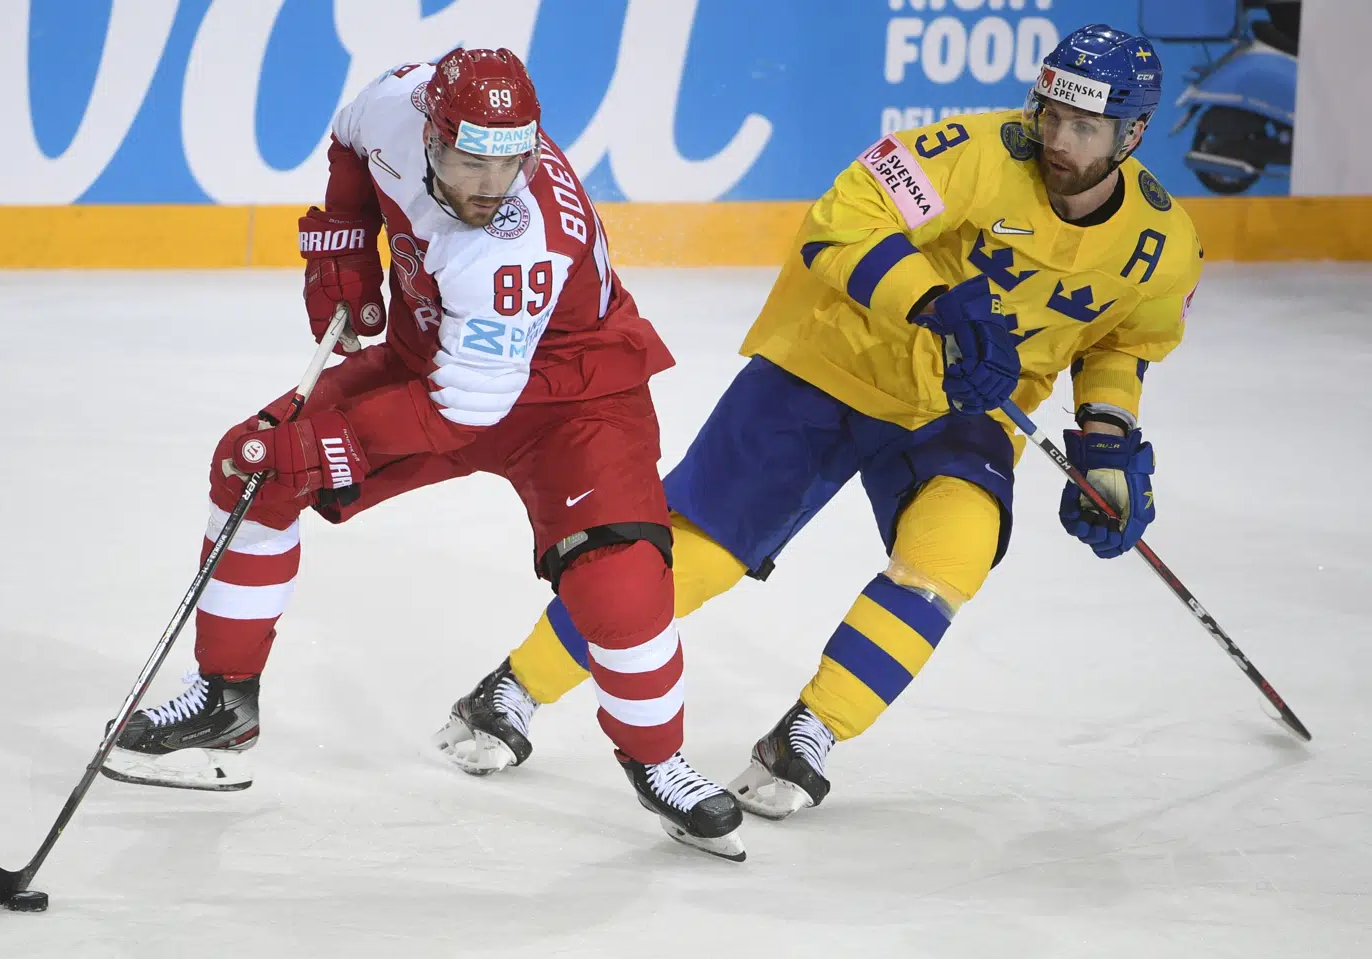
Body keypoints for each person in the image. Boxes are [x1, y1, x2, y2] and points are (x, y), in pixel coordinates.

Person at [436, 25, 1203, 820]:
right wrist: (933, 305)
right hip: (834, 361)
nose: (1056, 139)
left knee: (955, 550)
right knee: (694, 553)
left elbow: (1123, 342)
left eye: (1084, 128)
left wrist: (1107, 446)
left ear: (1133, 133)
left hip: (960, 411)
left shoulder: (1163, 245)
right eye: (1051, 114)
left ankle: (810, 731)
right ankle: (513, 687)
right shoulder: (970, 151)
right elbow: (841, 219)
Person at [100, 48, 745, 861]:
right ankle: (223, 706)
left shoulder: (515, 247)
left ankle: (662, 760)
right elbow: (347, 144)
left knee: (617, 586)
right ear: (429, 133)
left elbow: (459, 414)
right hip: (430, 357)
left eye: (508, 166)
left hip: (573, 399)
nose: (487, 188)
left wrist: (326, 445)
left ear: (535, 148)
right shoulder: (393, 104)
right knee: (249, 468)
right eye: (468, 163)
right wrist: (341, 244)